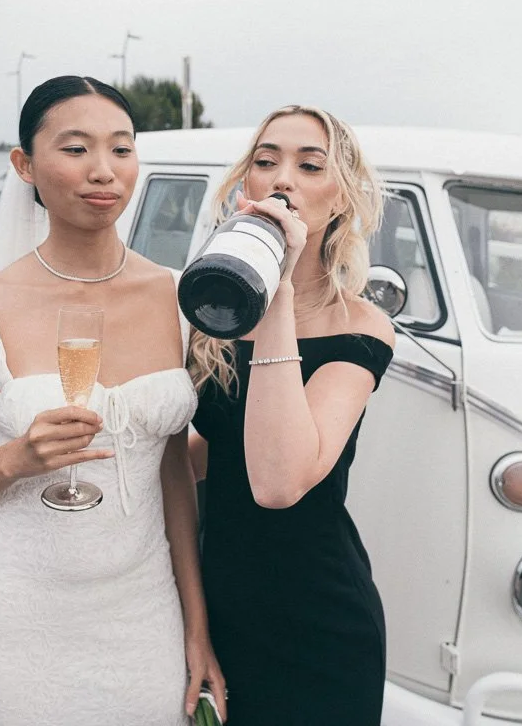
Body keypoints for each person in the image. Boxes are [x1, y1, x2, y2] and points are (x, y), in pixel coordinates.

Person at [0, 75, 225, 726]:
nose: (103, 171)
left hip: (140, 618)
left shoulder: (178, 300)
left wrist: (196, 629)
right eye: (75, 149)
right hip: (8, 625)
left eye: (121, 149)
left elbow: (172, 476)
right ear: (24, 165)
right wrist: (14, 460)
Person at [188, 105, 395, 726]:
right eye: (266, 161)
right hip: (216, 604)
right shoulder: (210, 320)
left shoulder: (359, 327)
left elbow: (278, 482)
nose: (283, 179)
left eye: (310, 165)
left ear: (342, 197)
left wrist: (276, 288)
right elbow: (206, 460)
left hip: (316, 624)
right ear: (245, 186)